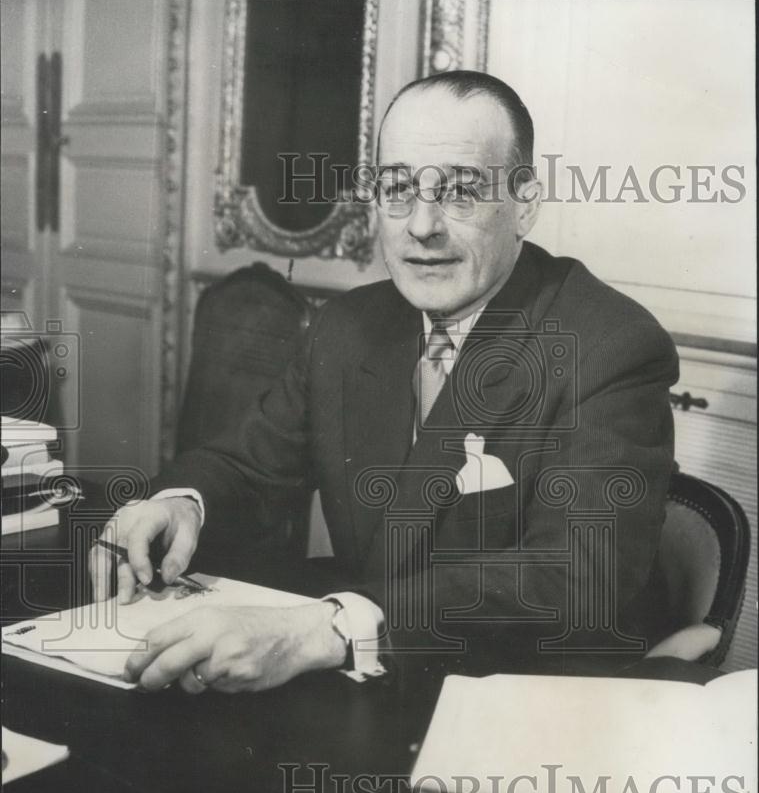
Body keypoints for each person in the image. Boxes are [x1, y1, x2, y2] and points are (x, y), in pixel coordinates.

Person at [89, 71, 678, 694]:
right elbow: (249, 464)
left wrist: (333, 628)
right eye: (397, 188)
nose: (421, 226)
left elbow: (576, 576)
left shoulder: (609, 343)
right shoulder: (348, 326)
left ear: (524, 203)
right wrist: (181, 502)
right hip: (375, 682)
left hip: (522, 705)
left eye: (460, 192)